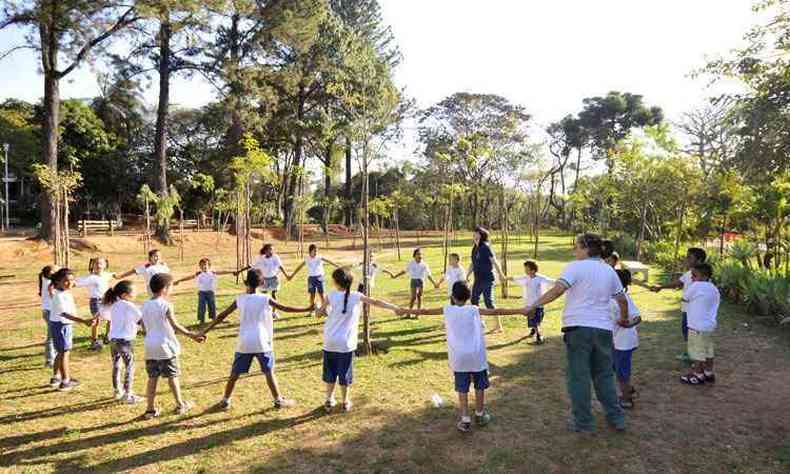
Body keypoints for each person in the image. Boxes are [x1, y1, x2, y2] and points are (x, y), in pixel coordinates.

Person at [524, 233, 629, 433]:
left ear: (585, 248)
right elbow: (622, 300)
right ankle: (617, 418)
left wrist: (534, 305)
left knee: (579, 377)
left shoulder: (575, 267)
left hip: (579, 329)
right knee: (605, 376)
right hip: (604, 330)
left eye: (576, 247)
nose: (574, 251)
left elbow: (557, 290)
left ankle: (584, 423)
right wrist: (623, 319)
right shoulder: (608, 270)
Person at [404, 281, 530, 433]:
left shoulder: (447, 310)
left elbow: (424, 311)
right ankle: (479, 414)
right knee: (480, 386)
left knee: (462, 389)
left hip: (459, 359)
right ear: (469, 296)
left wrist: (402, 310)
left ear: (452, 296)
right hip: (476, 357)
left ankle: (465, 419)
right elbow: (498, 311)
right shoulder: (474, 309)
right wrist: (521, 310)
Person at [201, 269, 312, 411]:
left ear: (246, 282)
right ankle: (278, 400)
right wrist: (306, 309)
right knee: (269, 372)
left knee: (234, 374)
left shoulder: (240, 299)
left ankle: (225, 400)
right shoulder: (265, 298)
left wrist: (204, 331)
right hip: (262, 341)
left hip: (244, 343)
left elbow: (222, 316)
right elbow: (286, 308)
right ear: (261, 283)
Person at [319, 268, 401, 413]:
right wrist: (394, 307)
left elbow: (319, 314)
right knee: (344, 373)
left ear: (336, 282)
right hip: (346, 345)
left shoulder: (330, 295)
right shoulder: (356, 296)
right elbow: (376, 302)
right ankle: (345, 401)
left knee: (330, 373)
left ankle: (329, 399)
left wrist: (317, 309)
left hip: (330, 342)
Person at [141, 273, 205, 419]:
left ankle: (150, 409)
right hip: (166, 347)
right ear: (164, 288)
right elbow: (175, 326)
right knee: (173, 376)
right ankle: (180, 404)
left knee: (152, 378)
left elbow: (143, 326)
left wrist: (150, 336)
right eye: (170, 287)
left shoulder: (144, 305)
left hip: (150, 347)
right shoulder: (166, 305)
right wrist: (192, 335)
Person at [650, 248, 707, 362]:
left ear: (699, 260)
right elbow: (678, 283)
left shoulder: (704, 276)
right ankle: (690, 353)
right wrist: (660, 287)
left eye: (689, 257)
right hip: (686, 310)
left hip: (696, 311)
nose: (686, 259)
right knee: (686, 332)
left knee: (695, 333)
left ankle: (696, 357)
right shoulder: (689, 273)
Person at [48, 268, 97, 391]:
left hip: (61, 325)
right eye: (66, 281)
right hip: (61, 325)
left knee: (61, 352)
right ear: (58, 282)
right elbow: (65, 314)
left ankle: (56, 377)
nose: (69, 283)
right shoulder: (59, 296)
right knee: (64, 353)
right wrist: (84, 321)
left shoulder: (64, 292)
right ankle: (65, 381)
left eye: (71, 280)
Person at [102, 280, 144, 403]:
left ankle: (117, 390)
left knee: (116, 365)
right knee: (130, 366)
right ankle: (128, 394)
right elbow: (141, 319)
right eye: (133, 292)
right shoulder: (128, 305)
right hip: (125, 341)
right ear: (125, 295)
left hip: (113, 340)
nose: (135, 294)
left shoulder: (114, 304)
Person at [679, 263, 720, 385]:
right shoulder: (714, 288)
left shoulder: (696, 286)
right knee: (708, 350)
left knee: (696, 351)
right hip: (708, 326)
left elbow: (685, 298)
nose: (691, 278)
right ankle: (708, 372)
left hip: (696, 325)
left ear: (704, 276)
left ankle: (698, 375)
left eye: (694, 275)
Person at [610, 269, 641, 409]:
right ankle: (629, 389)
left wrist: (628, 324)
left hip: (624, 342)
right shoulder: (610, 297)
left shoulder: (624, 298)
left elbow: (637, 317)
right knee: (615, 367)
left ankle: (627, 399)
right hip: (615, 341)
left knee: (622, 371)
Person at [467, 226, 507, 333]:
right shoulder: (474, 248)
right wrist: (467, 274)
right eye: (474, 233)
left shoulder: (486, 247)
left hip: (488, 279)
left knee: (489, 302)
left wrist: (501, 275)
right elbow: (473, 263)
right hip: (478, 279)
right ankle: (481, 322)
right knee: (474, 300)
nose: (474, 235)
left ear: (481, 235)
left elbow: (494, 261)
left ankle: (498, 326)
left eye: (476, 233)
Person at [237, 244, 292, 319]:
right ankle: (263, 312)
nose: (272, 251)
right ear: (266, 251)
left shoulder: (275, 257)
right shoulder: (261, 258)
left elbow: (280, 267)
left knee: (273, 295)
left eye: (272, 249)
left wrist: (286, 275)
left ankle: (273, 312)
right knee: (263, 297)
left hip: (273, 278)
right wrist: (240, 271)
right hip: (264, 279)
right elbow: (251, 266)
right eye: (270, 249)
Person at [173, 258, 234, 324]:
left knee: (212, 306)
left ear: (209, 266)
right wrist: (179, 280)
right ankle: (201, 320)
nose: (203, 266)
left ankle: (214, 318)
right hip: (202, 293)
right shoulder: (198, 274)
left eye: (205, 265)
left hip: (210, 292)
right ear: (200, 266)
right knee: (201, 306)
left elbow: (223, 272)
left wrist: (232, 272)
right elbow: (189, 277)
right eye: (201, 265)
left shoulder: (212, 273)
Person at [507, 260, 555, 344]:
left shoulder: (540, 278)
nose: (525, 271)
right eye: (525, 269)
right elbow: (517, 278)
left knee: (536, 321)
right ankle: (534, 330)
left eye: (527, 269)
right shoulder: (527, 277)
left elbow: (551, 281)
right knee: (533, 320)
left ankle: (539, 336)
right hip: (529, 304)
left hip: (538, 304)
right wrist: (506, 278)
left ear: (533, 270)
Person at [289, 244, 340, 316]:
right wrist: (292, 275)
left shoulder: (319, 257)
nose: (316, 252)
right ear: (310, 251)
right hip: (311, 279)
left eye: (316, 251)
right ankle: (311, 311)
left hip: (320, 277)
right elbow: (299, 267)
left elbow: (328, 261)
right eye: (314, 251)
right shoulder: (307, 259)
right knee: (312, 295)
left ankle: (324, 310)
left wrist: (337, 266)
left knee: (322, 294)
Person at [76, 257, 115, 350]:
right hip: (96, 301)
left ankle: (108, 337)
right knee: (96, 321)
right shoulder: (90, 277)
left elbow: (114, 275)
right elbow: (77, 282)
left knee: (111, 319)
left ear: (105, 265)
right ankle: (94, 341)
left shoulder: (106, 275)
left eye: (100, 263)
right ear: (92, 265)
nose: (98, 265)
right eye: (96, 263)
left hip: (107, 300)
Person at [391, 248, 438, 319]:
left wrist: (434, 283)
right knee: (413, 297)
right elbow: (404, 271)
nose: (420, 256)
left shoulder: (424, 264)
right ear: (414, 255)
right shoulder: (411, 263)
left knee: (419, 297)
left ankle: (417, 314)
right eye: (418, 254)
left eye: (421, 254)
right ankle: (409, 313)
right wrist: (395, 276)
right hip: (413, 281)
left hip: (420, 281)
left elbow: (428, 275)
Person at [39, 265, 57, 368]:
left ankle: (52, 356)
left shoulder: (45, 279)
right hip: (50, 312)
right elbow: (54, 296)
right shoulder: (50, 284)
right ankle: (49, 360)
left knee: (53, 335)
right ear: (51, 273)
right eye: (56, 271)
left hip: (48, 311)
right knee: (51, 336)